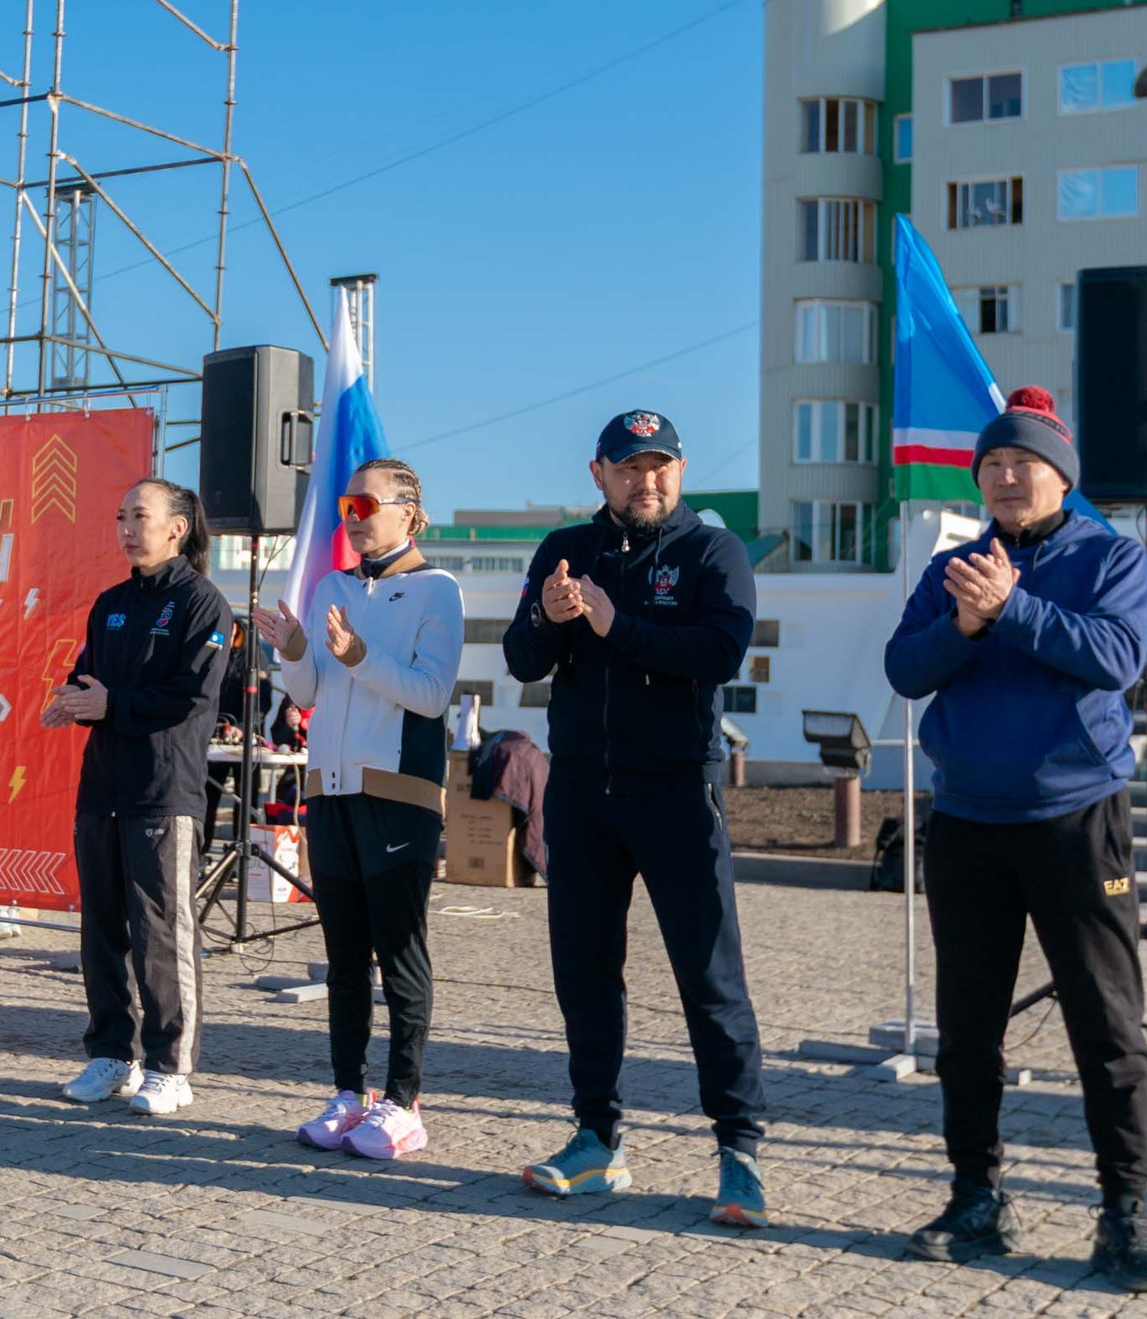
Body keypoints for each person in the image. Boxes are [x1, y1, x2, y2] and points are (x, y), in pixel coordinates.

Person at [882, 387, 1147, 1293]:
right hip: (967, 820)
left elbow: (1117, 658)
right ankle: (978, 1196)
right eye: (993, 465)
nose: (1006, 477)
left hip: (1076, 820)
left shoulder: (1113, 557)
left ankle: (1123, 1217)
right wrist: (965, 620)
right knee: (968, 1031)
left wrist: (1013, 609)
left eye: (1024, 463)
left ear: (1060, 476)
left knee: (1106, 1028)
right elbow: (904, 666)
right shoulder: (956, 566)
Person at [501, 411, 769, 1228]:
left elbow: (720, 652)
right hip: (582, 791)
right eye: (628, 467)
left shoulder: (711, 551)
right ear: (599, 474)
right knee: (585, 969)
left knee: (708, 974)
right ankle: (597, 1137)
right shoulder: (562, 551)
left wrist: (617, 622)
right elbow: (521, 659)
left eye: (659, 466)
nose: (644, 481)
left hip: (677, 790)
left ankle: (740, 1150)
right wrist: (548, 616)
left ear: (680, 472)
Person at [257, 457, 462, 1160]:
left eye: (366, 503)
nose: (353, 514)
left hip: (398, 793)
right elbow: (309, 687)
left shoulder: (438, 590)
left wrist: (359, 653)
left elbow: (432, 694)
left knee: (400, 951)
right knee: (343, 956)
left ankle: (405, 1101)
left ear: (410, 511)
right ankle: (350, 1092)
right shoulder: (331, 586)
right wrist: (290, 648)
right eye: (347, 503)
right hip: (330, 788)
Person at [43, 478, 233, 1117]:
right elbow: (89, 673)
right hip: (102, 789)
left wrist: (110, 704)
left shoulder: (204, 603)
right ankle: (110, 1055)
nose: (126, 527)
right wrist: (73, 697)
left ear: (177, 527)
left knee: (161, 934)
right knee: (100, 928)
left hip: (164, 793)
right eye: (120, 515)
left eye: (140, 516)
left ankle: (169, 1066)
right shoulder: (111, 602)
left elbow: (191, 699)